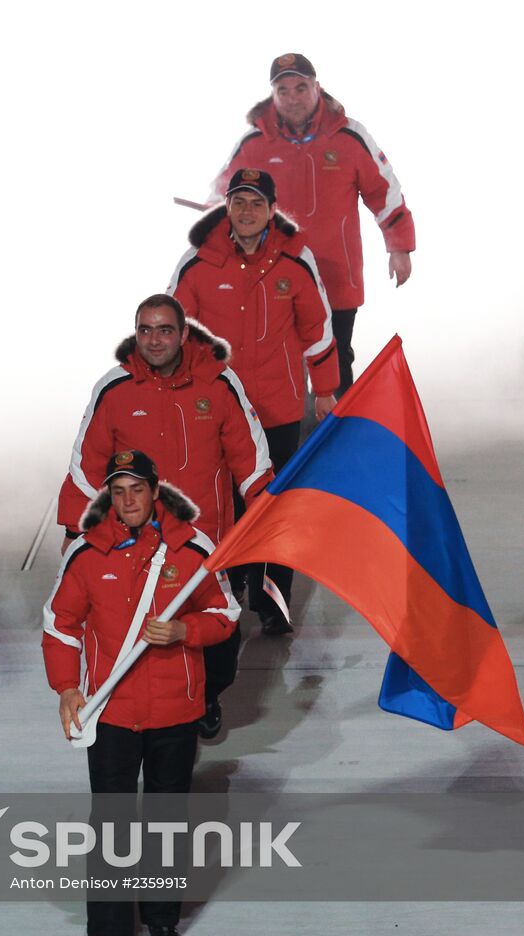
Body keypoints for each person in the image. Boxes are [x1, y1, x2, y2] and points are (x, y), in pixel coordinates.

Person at [42, 451, 239, 936]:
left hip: (175, 709)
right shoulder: (85, 556)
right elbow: (59, 625)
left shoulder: (192, 550)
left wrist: (184, 631)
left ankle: (162, 920)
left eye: (137, 489)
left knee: (166, 819)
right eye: (119, 491)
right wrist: (66, 688)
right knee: (110, 821)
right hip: (111, 712)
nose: (128, 500)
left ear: (155, 491)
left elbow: (226, 613)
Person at [57, 294, 272, 737]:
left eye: (165, 330)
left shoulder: (220, 384)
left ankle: (209, 694)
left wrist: (266, 506)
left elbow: (249, 456)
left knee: (218, 630)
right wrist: (72, 528)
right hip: (131, 541)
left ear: (184, 334)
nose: (154, 340)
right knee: (146, 628)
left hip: (208, 541)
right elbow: (87, 462)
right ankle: (149, 712)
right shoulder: (113, 389)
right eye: (145, 330)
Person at [170, 168, 335, 635]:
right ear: (227, 207)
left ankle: (274, 602)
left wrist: (323, 390)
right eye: (238, 202)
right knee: (221, 504)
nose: (246, 212)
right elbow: (174, 329)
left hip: (278, 410)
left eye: (255, 204)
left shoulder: (295, 261)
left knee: (276, 507)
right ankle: (230, 587)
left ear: (271, 210)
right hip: (217, 412)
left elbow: (317, 328)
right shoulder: (198, 262)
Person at [212, 52, 416, 395]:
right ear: (273, 95)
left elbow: (385, 193)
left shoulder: (349, 136)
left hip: (334, 276)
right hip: (270, 275)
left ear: (317, 88)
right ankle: (285, 444)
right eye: (284, 90)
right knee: (278, 365)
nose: (292, 98)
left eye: (300, 88)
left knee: (335, 360)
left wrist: (400, 247)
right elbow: (220, 198)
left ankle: (338, 439)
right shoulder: (254, 144)